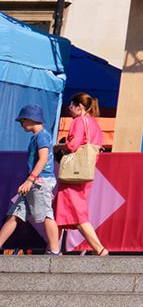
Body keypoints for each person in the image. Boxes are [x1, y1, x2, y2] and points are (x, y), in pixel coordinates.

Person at [54, 94, 110, 256]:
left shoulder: (79, 122)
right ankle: (53, 249)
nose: (69, 109)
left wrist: (57, 147)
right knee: (60, 214)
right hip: (84, 172)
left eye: (71, 106)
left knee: (77, 215)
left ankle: (99, 248)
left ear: (79, 107)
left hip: (72, 174)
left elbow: (72, 145)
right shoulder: (94, 124)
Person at [0, 106, 59, 255]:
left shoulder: (42, 136)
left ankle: (55, 250)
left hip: (39, 182)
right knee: (14, 215)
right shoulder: (38, 136)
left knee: (46, 214)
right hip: (34, 183)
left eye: (22, 120)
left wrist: (30, 180)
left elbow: (44, 159)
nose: (21, 124)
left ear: (31, 119)